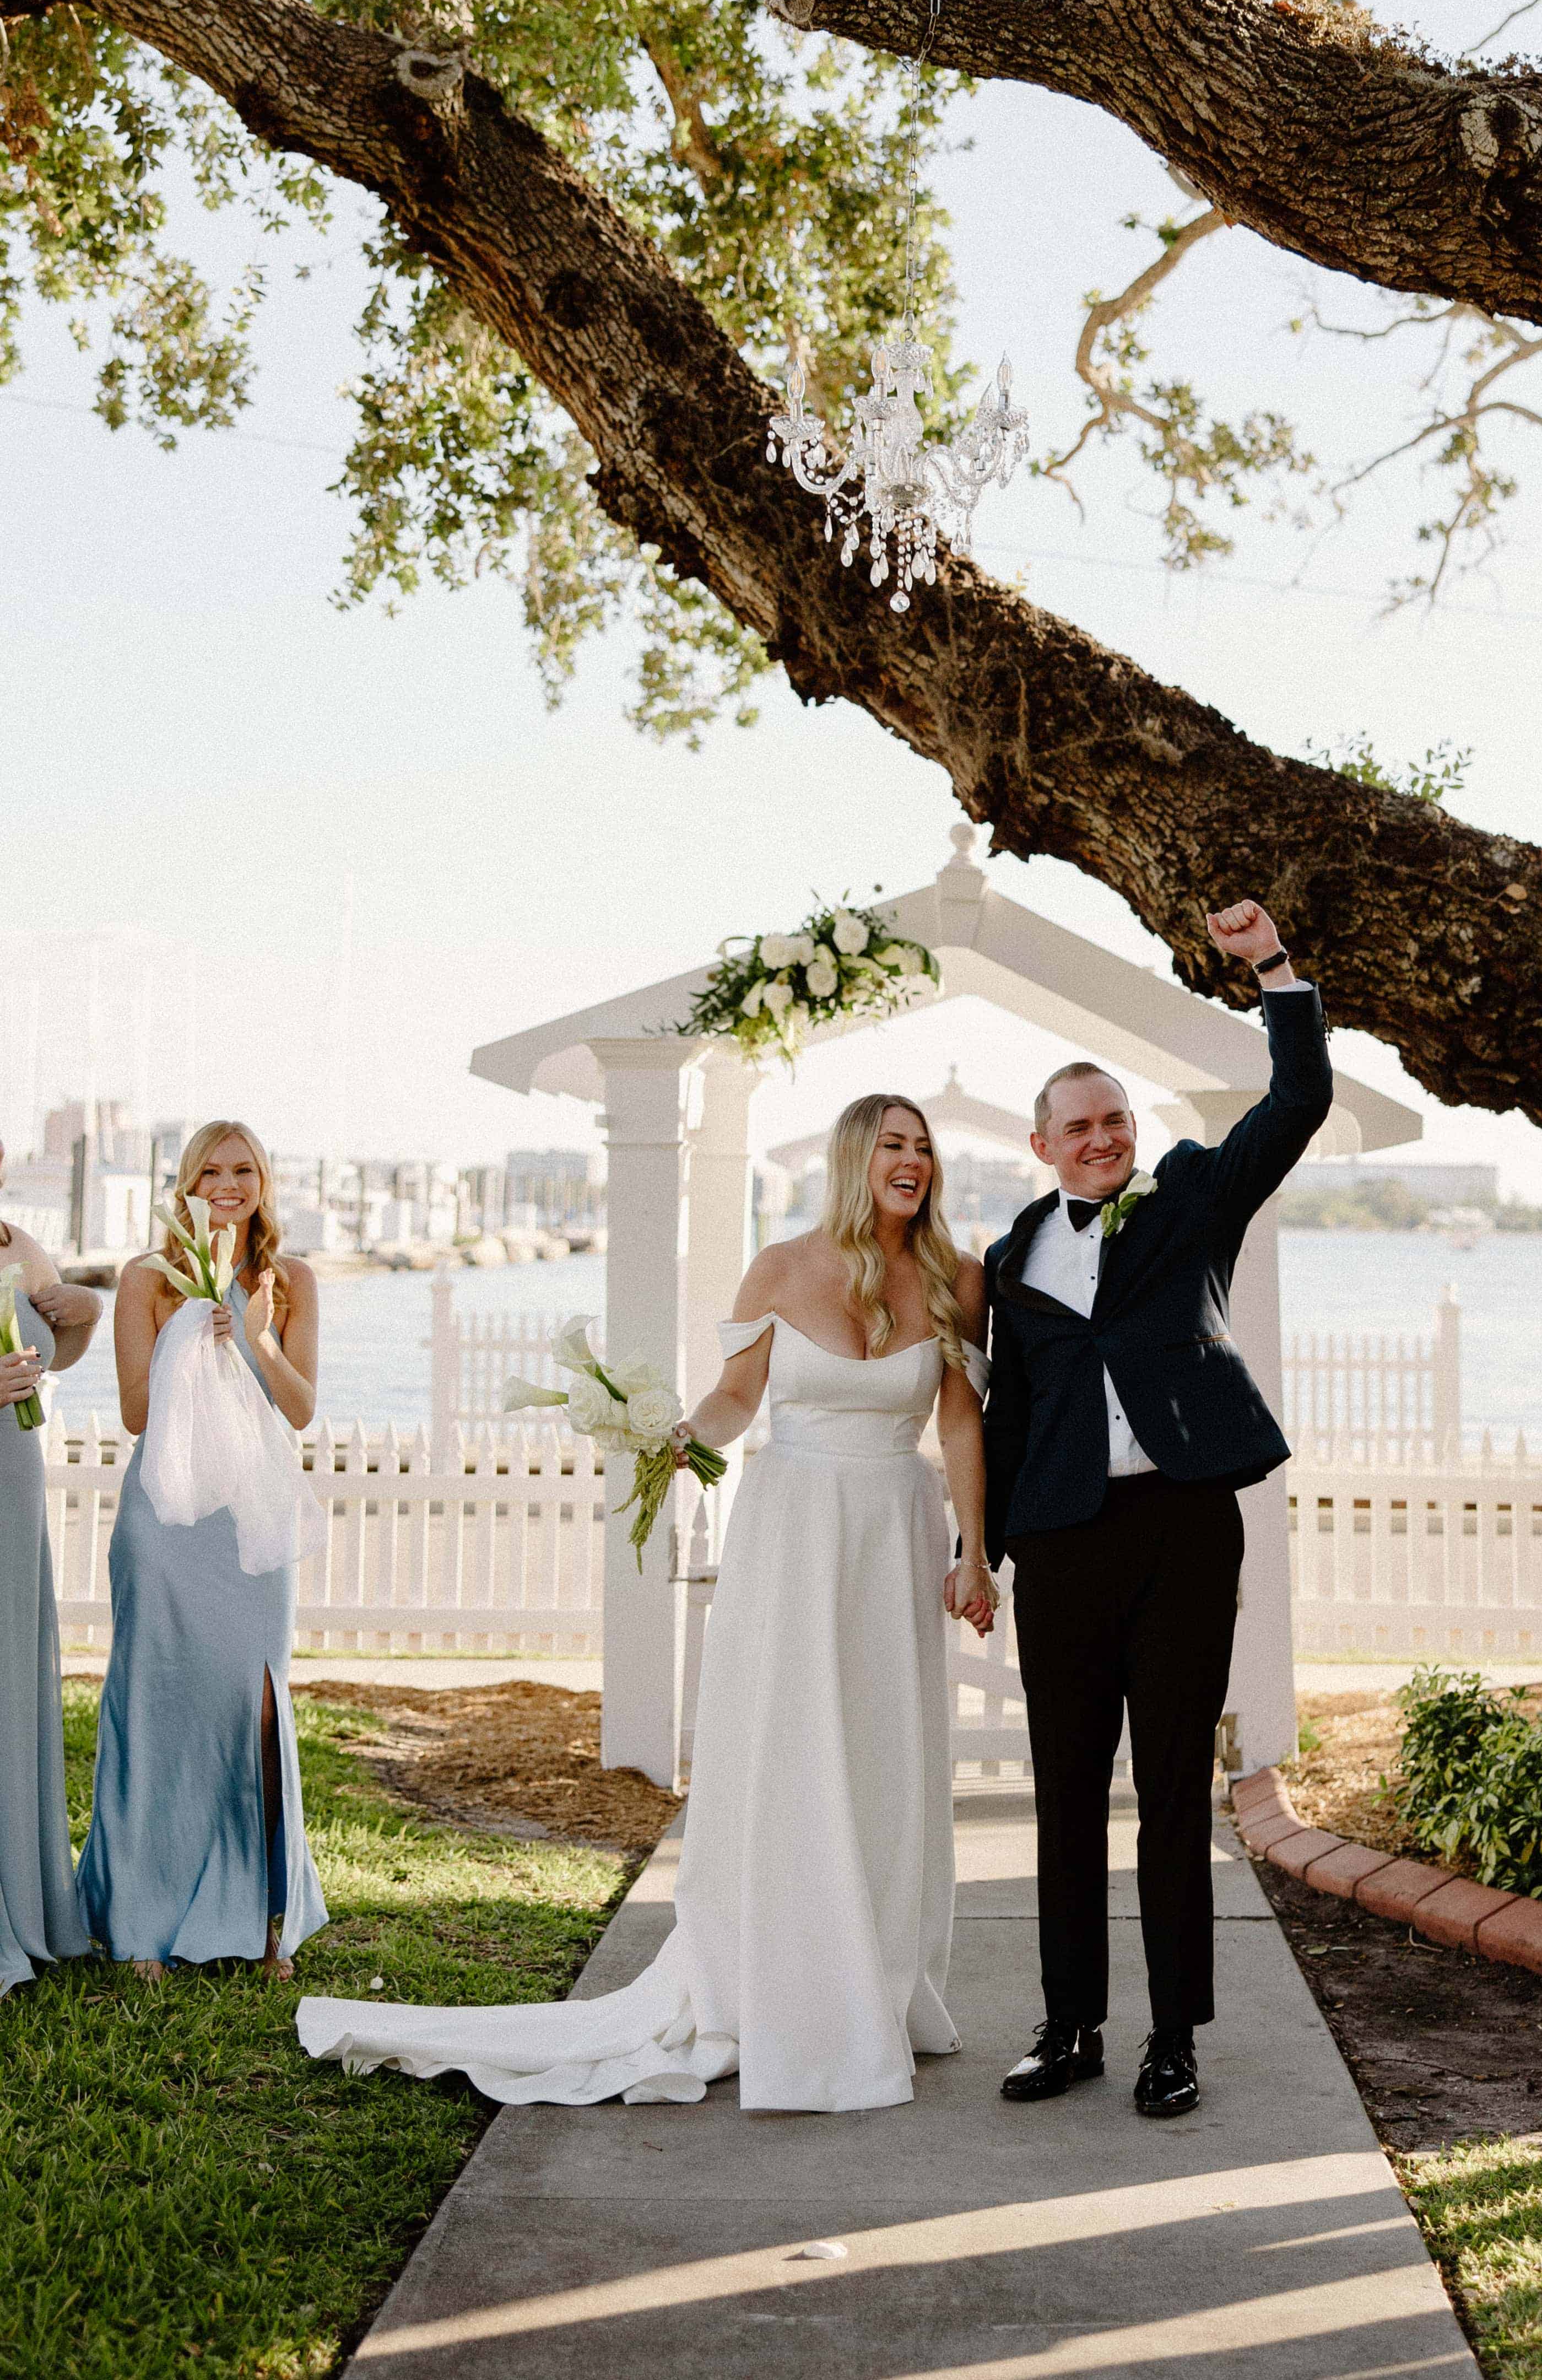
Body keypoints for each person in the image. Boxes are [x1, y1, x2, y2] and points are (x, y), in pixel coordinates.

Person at [299, 1091, 994, 2112]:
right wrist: (681, 1440)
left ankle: (878, 1977)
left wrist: (973, 1552)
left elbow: (963, 1425)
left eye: (925, 1148)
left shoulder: (954, 1279)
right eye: (894, 1145)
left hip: (895, 1530)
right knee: (792, 1746)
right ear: (855, 1158)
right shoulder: (780, 1269)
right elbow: (738, 1398)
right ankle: (773, 1979)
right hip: (793, 1531)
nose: (914, 1162)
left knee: (884, 1751)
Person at [984, 895, 1331, 2120]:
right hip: (1063, 1543)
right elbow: (1003, 1420)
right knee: (1065, 1791)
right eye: (1078, 1127)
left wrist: (1275, 973)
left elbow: (1294, 1106)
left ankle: (1172, 2036)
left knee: (1176, 1789)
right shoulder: (1009, 1257)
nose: (1101, 1139)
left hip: (1184, 1528)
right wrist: (993, 1550)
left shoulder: (1189, 1198)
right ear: (1042, 1146)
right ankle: (1068, 2022)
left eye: (1114, 1120)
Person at [78, 1120, 327, 1980]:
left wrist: (255, 1336)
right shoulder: (145, 1277)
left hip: (250, 1524)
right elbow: (139, 1414)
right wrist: (195, 1329)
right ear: (185, 1182)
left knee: (257, 1706)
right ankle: (143, 1920)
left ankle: (266, 1918)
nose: (227, 1183)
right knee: (155, 1707)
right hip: (167, 1522)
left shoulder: (290, 1279)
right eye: (210, 1170)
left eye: (244, 1168)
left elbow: (298, 1410)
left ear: (265, 1179)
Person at [0, 1159, 103, 1994]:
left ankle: (21, 1897)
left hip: (9, 1471)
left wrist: (87, 1316)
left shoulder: (15, 1243)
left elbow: (54, 1350)